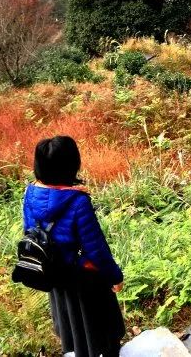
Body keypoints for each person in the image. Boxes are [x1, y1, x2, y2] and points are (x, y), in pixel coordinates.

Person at [21, 136, 125, 357]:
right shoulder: (78, 202)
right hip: (85, 278)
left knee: (73, 328)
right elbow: (95, 248)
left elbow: (29, 230)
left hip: (55, 273)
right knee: (105, 331)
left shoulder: (30, 194)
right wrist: (114, 277)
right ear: (71, 164)